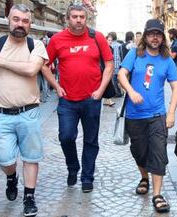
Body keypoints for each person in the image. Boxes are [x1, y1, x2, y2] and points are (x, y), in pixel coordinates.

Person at [0, 4, 48, 216]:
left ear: (30, 23)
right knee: (4, 159)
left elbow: (31, 69)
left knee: (31, 157)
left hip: (29, 112)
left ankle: (29, 197)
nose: (20, 24)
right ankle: (11, 176)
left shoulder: (36, 45)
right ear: (8, 19)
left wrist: (0, 61)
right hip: (1, 115)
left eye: (25, 21)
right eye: (16, 19)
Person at [41, 4, 113, 193]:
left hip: (92, 99)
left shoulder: (97, 37)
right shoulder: (57, 39)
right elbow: (44, 65)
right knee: (66, 137)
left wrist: (101, 89)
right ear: (68, 18)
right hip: (67, 100)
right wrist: (56, 86)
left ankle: (87, 177)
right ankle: (73, 167)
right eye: (74, 16)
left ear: (86, 18)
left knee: (91, 140)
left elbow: (109, 64)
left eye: (82, 16)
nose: (78, 20)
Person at [117, 19, 177, 213]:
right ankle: (144, 177)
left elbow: (176, 86)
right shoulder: (135, 54)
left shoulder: (166, 59)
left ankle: (157, 194)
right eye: (152, 34)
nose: (155, 37)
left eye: (159, 34)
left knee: (159, 154)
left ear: (163, 38)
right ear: (145, 36)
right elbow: (121, 74)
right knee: (139, 151)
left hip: (157, 115)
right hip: (135, 116)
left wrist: (171, 113)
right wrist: (131, 91)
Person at [108, 31, 124, 98]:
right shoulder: (120, 45)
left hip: (113, 64)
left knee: (114, 80)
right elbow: (121, 55)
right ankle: (121, 91)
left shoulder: (110, 45)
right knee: (120, 79)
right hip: (119, 64)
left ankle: (118, 92)